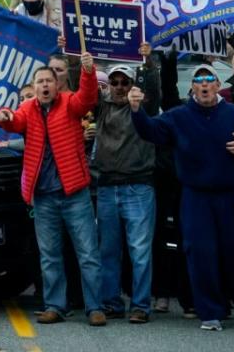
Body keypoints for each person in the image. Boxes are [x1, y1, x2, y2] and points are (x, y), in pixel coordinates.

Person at [0, 53, 105, 327]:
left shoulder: (70, 103)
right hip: (43, 197)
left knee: (88, 254)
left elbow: (88, 98)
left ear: (57, 84)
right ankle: (55, 306)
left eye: (49, 80)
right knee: (50, 254)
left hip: (74, 194)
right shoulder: (28, 108)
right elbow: (13, 121)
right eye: (40, 82)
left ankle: (95, 307)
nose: (45, 85)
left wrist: (88, 71)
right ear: (34, 88)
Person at [128, 65, 234, 331]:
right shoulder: (179, 116)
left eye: (209, 80)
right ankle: (210, 311)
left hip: (232, 195)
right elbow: (150, 131)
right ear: (192, 88)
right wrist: (136, 111)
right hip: (196, 197)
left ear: (216, 85)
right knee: (201, 254)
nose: (203, 85)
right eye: (198, 81)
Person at [90, 54, 160, 324]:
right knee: (107, 250)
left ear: (133, 84)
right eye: (115, 82)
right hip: (107, 187)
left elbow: (153, 88)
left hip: (139, 187)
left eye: (125, 82)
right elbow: (80, 87)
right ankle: (111, 302)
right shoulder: (102, 106)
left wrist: (148, 61)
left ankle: (140, 305)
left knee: (140, 251)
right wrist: (73, 56)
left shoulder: (144, 106)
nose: (119, 86)